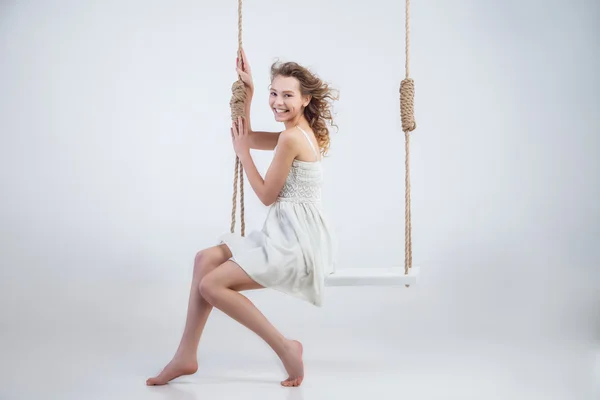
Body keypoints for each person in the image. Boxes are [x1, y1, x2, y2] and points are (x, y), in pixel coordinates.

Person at [146, 49, 338, 388]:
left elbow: (265, 194)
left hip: (295, 245)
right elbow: (246, 136)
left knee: (211, 284)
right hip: (286, 232)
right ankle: (186, 355)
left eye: (288, 95)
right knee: (204, 259)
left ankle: (285, 348)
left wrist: (243, 156)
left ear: (306, 99)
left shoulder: (292, 138)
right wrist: (247, 94)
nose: (278, 101)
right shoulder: (296, 131)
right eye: (273, 93)